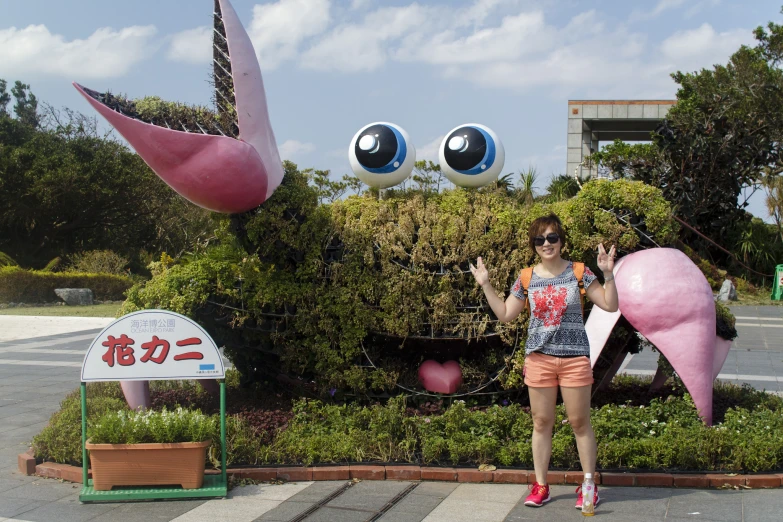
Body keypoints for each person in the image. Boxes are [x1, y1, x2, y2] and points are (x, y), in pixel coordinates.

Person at [470, 213, 617, 510]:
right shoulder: (526, 277)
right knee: (541, 422)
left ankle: (588, 485)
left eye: (552, 237)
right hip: (539, 360)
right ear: (533, 244)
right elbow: (506, 313)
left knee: (579, 422)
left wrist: (609, 274)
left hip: (574, 358)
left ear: (561, 240)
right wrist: (485, 284)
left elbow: (610, 305)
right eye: (540, 239)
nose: (546, 243)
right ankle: (541, 485)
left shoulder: (579, 272)